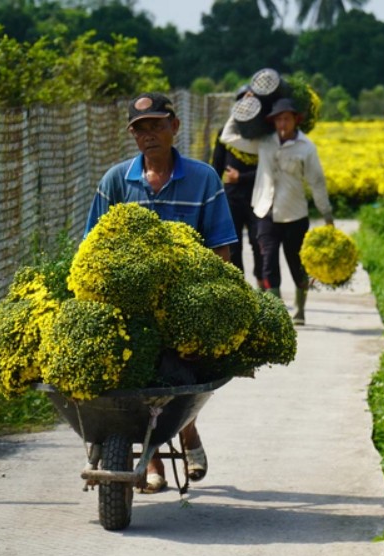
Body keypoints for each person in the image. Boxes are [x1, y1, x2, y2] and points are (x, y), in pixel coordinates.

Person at [85, 92, 238, 494]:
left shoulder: (203, 178)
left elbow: (221, 247)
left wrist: (212, 302)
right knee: (138, 380)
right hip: (131, 305)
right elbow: (92, 247)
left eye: (155, 125)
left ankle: (185, 431)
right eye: (140, 129)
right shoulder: (117, 181)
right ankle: (154, 459)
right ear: (133, 137)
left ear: (174, 126)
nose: (148, 135)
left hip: (186, 301)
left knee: (177, 374)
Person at [219, 96, 334, 326]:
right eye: (279, 119)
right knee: (268, 261)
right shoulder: (264, 142)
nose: (283, 124)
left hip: (295, 215)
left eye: (287, 119)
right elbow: (227, 136)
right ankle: (279, 315)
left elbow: (317, 182)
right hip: (265, 212)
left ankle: (300, 309)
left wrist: (327, 217)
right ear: (273, 122)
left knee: (296, 263)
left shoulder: (306, 148)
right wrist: (241, 109)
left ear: (295, 121)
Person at [212, 83, 264, 286]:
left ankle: (263, 285)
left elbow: (268, 171)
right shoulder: (225, 133)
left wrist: (241, 177)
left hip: (256, 196)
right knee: (233, 246)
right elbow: (217, 164)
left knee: (258, 241)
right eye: (242, 103)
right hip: (230, 197)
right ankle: (238, 286)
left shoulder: (262, 136)